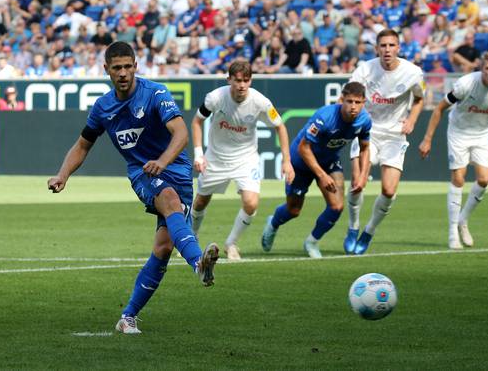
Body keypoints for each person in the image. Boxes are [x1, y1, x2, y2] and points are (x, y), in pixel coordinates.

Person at [47, 41, 219, 335]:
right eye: (117, 68)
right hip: (143, 175)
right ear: (107, 70)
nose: (123, 73)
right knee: (168, 198)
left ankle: (127, 317)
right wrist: (63, 174)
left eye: (128, 66)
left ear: (136, 66)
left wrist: (163, 162)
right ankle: (198, 264)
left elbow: (180, 133)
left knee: (163, 248)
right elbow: (82, 144)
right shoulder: (103, 108)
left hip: (174, 170)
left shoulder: (155, 93)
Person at [191, 60, 294, 260]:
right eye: (237, 80)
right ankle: (191, 237)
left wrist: (286, 160)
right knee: (201, 201)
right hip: (216, 157)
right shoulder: (215, 98)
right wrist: (198, 154)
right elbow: (197, 121)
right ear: (229, 79)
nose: (242, 85)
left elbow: (280, 126)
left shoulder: (261, 102)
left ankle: (231, 243)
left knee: (251, 203)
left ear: (251, 80)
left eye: (246, 80)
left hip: (246, 158)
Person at [261, 82, 372, 258]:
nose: (353, 107)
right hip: (301, 162)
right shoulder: (325, 116)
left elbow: (365, 148)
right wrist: (322, 176)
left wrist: (363, 176)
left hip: (329, 161)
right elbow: (304, 148)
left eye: (358, 102)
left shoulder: (364, 120)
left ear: (364, 102)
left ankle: (311, 242)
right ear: (341, 99)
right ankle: (273, 223)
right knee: (293, 211)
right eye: (349, 101)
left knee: (337, 206)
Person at [418, 51, 488, 249]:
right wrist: (427, 139)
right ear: (481, 68)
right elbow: (439, 109)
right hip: (458, 132)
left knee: (484, 180)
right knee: (459, 178)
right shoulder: (465, 84)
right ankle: (452, 232)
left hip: (483, 135)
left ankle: (463, 220)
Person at [344, 29, 424, 255]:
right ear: (376, 48)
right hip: (366, 132)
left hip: (394, 135)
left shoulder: (412, 73)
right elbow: (349, 94)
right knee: (357, 183)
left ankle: (368, 231)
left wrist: (412, 119)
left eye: (391, 46)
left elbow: (419, 99)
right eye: (383, 46)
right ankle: (353, 227)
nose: (387, 50)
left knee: (389, 191)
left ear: (398, 48)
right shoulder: (365, 69)